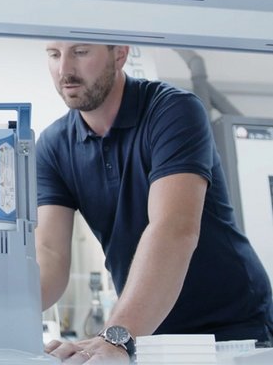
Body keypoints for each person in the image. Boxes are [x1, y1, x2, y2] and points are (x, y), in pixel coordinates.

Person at [35, 42, 273, 363]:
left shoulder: (172, 109)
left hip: (230, 327)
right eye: (54, 54)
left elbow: (173, 229)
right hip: (148, 331)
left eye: (80, 52)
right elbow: (49, 254)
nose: (65, 70)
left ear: (119, 54)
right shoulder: (53, 145)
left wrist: (117, 336)